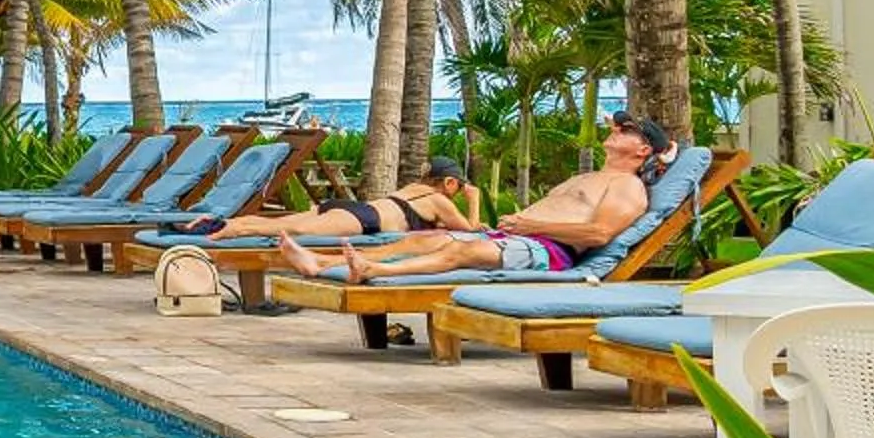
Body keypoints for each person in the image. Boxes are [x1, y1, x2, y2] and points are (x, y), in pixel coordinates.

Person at [275, 117, 671, 284]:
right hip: (516, 238)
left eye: (628, 129)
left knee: (458, 250)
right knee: (423, 239)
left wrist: (532, 225)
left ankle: (374, 271)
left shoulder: (628, 187)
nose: (616, 128)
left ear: (643, 151)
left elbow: (599, 234)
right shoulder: (588, 176)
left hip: (548, 252)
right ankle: (321, 262)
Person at [168, 158, 482, 240]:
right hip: (363, 219)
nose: (459, 191)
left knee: (280, 222)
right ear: (449, 182)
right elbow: (471, 230)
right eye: (459, 187)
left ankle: (213, 223)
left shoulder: (413, 188)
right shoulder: (439, 200)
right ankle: (222, 232)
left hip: (353, 209)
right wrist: (474, 199)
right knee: (286, 229)